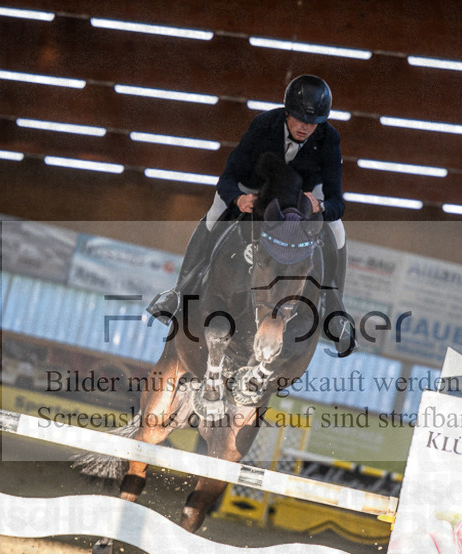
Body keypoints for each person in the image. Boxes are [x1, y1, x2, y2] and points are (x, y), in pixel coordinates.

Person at [147, 74, 355, 353]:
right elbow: (228, 177)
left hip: (302, 198)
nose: (306, 127)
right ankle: (180, 290)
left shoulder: (329, 138)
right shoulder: (263, 125)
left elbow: (336, 201)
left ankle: (334, 309)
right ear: (287, 112)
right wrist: (238, 198)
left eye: (313, 122)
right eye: (299, 118)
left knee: (338, 228)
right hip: (256, 189)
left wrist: (322, 206)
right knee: (214, 212)